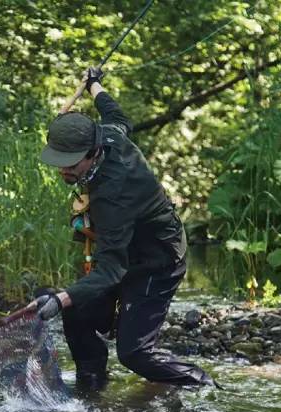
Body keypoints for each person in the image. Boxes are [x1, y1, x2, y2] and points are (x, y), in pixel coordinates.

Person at [32, 67, 216, 390]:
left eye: (71, 164)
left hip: (157, 260)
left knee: (135, 354)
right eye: (60, 162)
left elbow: (111, 271)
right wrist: (94, 85)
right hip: (124, 247)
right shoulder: (110, 134)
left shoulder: (113, 196)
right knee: (79, 313)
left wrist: (60, 298)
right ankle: (91, 386)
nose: (63, 171)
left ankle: (200, 383)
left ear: (92, 154)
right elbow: (115, 114)